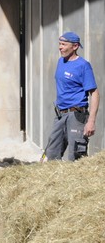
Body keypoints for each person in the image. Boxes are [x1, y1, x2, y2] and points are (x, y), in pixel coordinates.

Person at [44, 32, 99, 161]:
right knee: (51, 154)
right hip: (60, 115)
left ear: (75, 46)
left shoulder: (83, 65)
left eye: (63, 44)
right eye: (59, 44)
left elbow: (95, 93)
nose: (60, 47)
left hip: (76, 116)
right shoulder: (60, 62)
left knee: (76, 157)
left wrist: (91, 121)